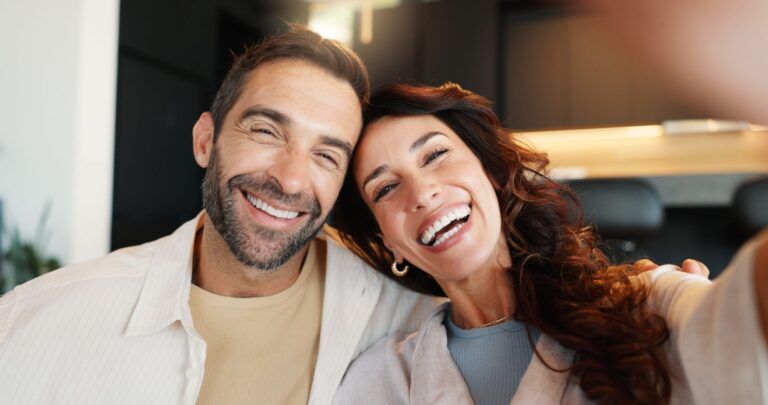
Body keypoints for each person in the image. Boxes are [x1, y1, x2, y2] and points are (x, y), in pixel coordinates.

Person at [0, 26, 439, 405]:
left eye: (326, 155)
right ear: (205, 141)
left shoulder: (408, 319)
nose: (290, 180)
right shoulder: (34, 322)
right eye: (266, 131)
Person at [332, 82, 768, 404]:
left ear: (492, 174)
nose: (422, 193)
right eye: (385, 188)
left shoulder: (646, 304)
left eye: (435, 155)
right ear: (388, 242)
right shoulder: (380, 380)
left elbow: (746, 335)